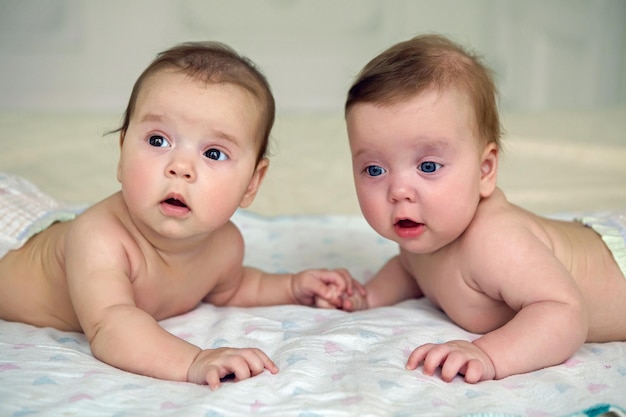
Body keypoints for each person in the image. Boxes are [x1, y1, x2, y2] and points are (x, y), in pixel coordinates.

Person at [0, 41, 362, 389]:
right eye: (158, 140)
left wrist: (292, 286)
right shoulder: (99, 237)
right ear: (122, 151)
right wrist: (193, 361)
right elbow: (111, 325)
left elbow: (234, 287)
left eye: (214, 154)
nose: (181, 167)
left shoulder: (225, 244)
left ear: (252, 183)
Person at [341, 33, 626, 383]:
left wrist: (488, 354)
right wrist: (367, 296)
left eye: (428, 167)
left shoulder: (494, 241)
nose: (398, 191)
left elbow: (565, 312)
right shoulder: (423, 233)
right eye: (374, 170)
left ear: (484, 170)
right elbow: (409, 269)